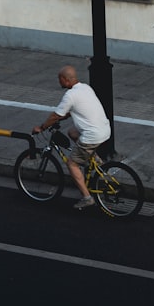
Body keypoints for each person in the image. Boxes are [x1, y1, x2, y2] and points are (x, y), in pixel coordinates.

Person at [33, 65, 111, 209]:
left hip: (92, 136)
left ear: (66, 80)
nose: (59, 82)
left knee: (71, 164)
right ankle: (93, 158)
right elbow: (71, 111)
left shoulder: (70, 95)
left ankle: (87, 198)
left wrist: (41, 127)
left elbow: (56, 115)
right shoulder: (86, 88)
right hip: (105, 130)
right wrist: (59, 119)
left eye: (59, 79)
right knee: (72, 133)